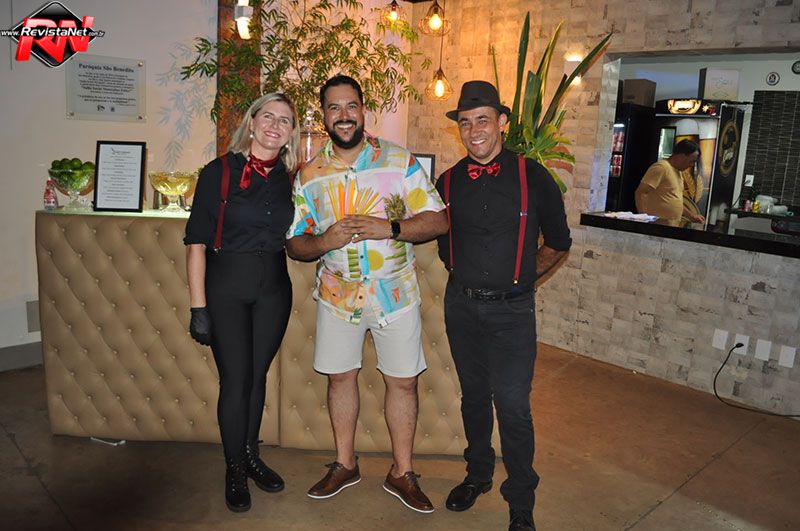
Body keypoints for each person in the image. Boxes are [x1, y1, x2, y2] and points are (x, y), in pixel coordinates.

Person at [286, 75, 448, 514]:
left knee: (403, 381)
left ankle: (402, 472)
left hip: (396, 293)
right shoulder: (309, 175)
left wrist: (390, 227)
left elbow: (438, 219)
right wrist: (325, 241)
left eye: (351, 106)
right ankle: (345, 464)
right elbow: (295, 244)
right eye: (334, 107)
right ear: (323, 115)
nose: (344, 115)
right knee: (340, 377)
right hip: (338, 295)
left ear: (363, 110)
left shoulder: (398, 160)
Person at [436, 80, 572, 531]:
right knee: (474, 397)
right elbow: (441, 242)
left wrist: (525, 277)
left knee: (513, 405)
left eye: (482, 120)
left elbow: (558, 242)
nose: (474, 130)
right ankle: (477, 475)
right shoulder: (447, 181)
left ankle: (521, 499)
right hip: (461, 307)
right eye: (465, 122)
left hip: (512, 312)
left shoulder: (534, 177)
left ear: (502, 122)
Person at [184, 92, 300, 512]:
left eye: (284, 120)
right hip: (226, 288)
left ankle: (251, 454)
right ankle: (234, 467)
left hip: (274, 289)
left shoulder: (291, 178)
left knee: (257, 376)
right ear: (251, 123)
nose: (274, 125)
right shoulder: (218, 172)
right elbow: (196, 242)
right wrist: (199, 308)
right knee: (235, 381)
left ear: (291, 133)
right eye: (267, 116)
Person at [635, 139, 705, 223]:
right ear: (682, 156)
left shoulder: (678, 172)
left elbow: (674, 200)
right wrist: (644, 218)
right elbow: (641, 192)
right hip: (657, 224)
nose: (692, 165)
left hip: (671, 224)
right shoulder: (661, 167)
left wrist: (691, 216)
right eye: (692, 161)